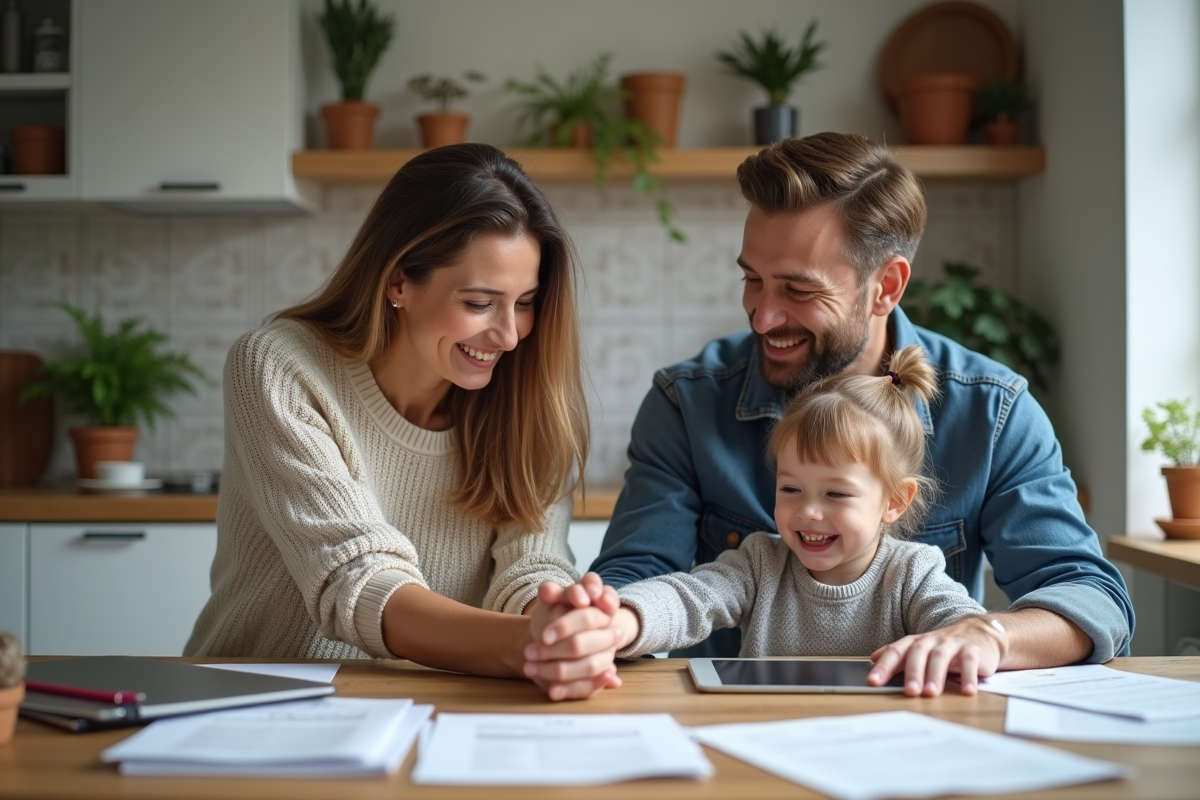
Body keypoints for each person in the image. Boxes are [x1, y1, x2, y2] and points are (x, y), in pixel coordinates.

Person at [550, 132, 1133, 695]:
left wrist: (988, 635)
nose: (762, 317)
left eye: (799, 291)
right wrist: (603, 621)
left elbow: (1090, 597)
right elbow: (639, 580)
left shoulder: (993, 411)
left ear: (886, 287)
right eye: (753, 280)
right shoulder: (686, 402)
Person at [185, 143, 622, 701]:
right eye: (479, 302)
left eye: (526, 302)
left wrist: (558, 621)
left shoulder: (527, 406)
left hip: (424, 703)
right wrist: (527, 646)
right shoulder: (278, 365)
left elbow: (530, 564)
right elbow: (361, 580)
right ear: (398, 282)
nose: (509, 336)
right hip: (250, 699)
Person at [545, 347, 1002, 695]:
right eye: (790, 489)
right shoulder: (760, 562)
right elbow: (689, 598)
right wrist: (620, 622)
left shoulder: (912, 572)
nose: (807, 511)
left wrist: (971, 639)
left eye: (836, 493)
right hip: (766, 735)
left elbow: (962, 625)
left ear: (895, 501)